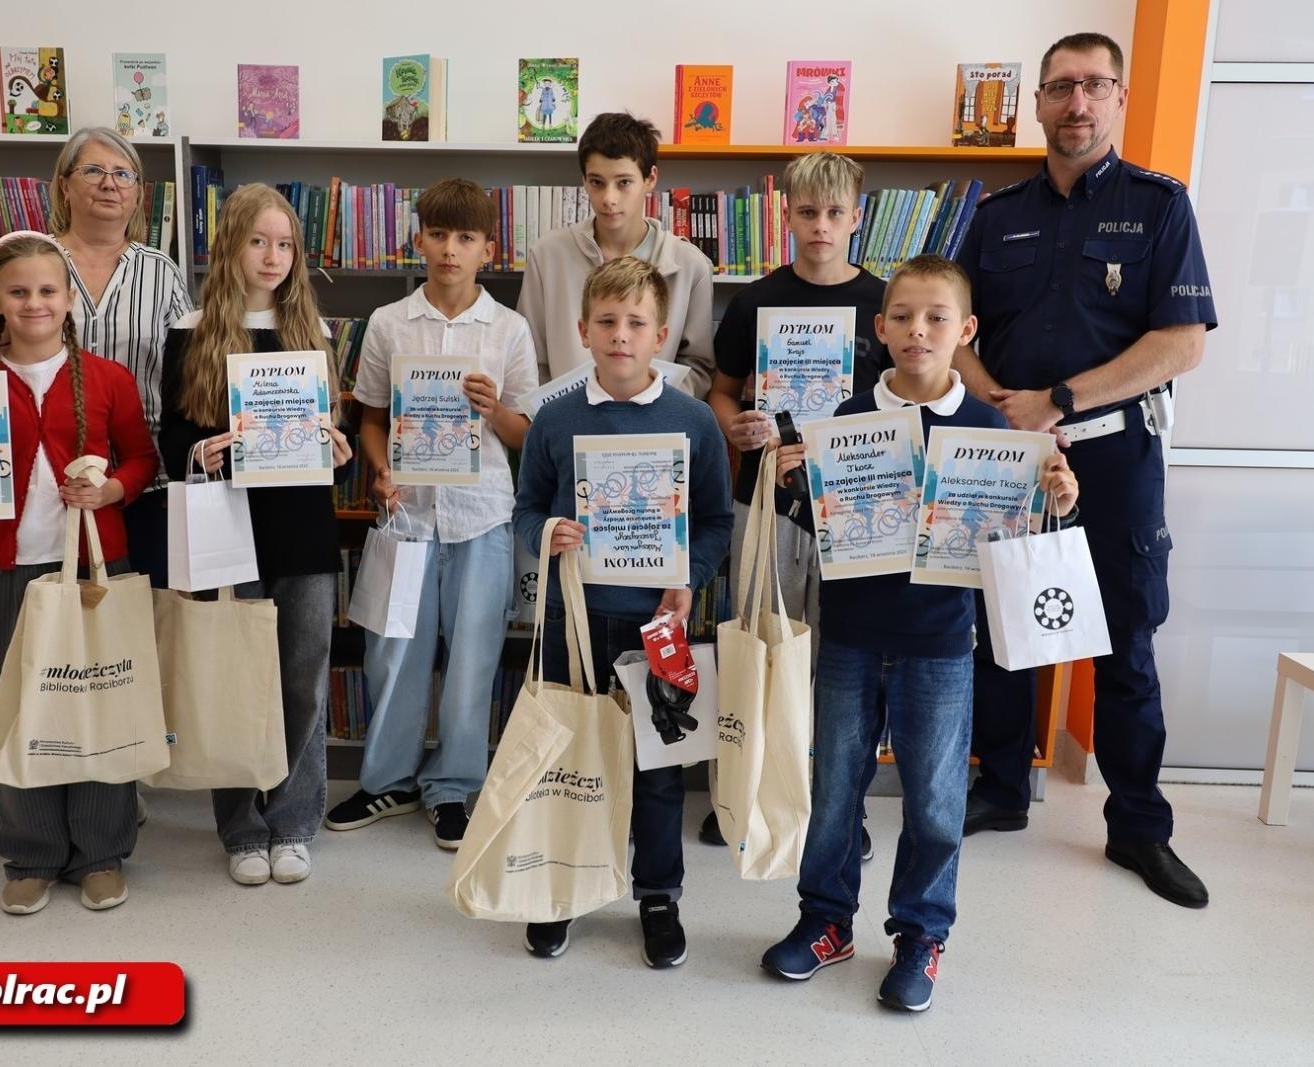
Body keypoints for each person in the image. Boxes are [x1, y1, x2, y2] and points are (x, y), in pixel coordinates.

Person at [761, 254, 1079, 1011]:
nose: (918, 330)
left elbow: (1014, 540)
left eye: (937, 317)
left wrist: (1056, 494)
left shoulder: (990, 428)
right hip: (849, 634)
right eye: (902, 315)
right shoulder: (845, 419)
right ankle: (826, 920)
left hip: (940, 641)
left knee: (935, 799)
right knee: (835, 786)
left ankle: (921, 932)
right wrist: (791, 488)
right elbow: (824, 524)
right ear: (880, 326)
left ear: (965, 330)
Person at [953, 31, 1217, 909]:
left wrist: (1059, 399)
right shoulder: (994, 215)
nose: (1077, 103)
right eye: (1061, 87)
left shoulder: (1158, 206)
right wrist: (1003, 403)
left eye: (1095, 86)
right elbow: (954, 333)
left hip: (1113, 454)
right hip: (1009, 451)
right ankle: (999, 787)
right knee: (1002, 629)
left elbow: (1181, 343)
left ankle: (1138, 826)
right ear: (1036, 102)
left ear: (1118, 99)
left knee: (1125, 641)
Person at [0, 126, 192, 870]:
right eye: (94, 170)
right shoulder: (28, 259)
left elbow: (179, 379)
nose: (111, 183)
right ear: (64, 183)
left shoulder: (162, 272)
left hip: (127, 492)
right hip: (26, 503)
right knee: (14, 659)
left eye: (125, 173)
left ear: (140, 192)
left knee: (102, 660)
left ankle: (106, 798)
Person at [0, 231, 159, 914]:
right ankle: (31, 852)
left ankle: (101, 851)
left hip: (92, 570)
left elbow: (142, 460)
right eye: (17, 291)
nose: (34, 303)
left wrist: (112, 490)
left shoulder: (110, 379)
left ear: (70, 297)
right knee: (16, 712)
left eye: (48, 290)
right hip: (4, 569)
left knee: (96, 704)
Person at [513, 256, 733, 968]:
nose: (620, 335)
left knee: (658, 770)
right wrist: (549, 534)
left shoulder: (693, 420)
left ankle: (658, 892)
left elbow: (715, 521)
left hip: (657, 623)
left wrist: (690, 576)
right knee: (571, 760)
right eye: (606, 321)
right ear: (582, 330)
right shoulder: (554, 418)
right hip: (575, 620)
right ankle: (565, 886)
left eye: (636, 323)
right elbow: (524, 513)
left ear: (662, 334)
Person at [324, 179, 539, 851]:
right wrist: (382, 470)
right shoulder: (390, 322)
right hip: (409, 517)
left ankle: (454, 786)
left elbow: (526, 430)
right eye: (439, 235)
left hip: (482, 516)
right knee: (393, 653)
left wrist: (491, 408)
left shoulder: (509, 329)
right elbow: (371, 418)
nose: (451, 250)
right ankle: (388, 778)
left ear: (489, 250)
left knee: (474, 656)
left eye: (466, 238)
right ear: (418, 240)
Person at [159, 183, 353, 887]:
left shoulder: (315, 331)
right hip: (227, 529)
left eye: (284, 244)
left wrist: (338, 446)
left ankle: (294, 818)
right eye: (258, 241)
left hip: (301, 524)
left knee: (301, 674)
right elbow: (171, 431)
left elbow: (331, 425)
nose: (273, 257)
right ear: (232, 244)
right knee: (233, 676)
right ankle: (241, 826)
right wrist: (199, 450)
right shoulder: (191, 328)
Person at [707, 151, 890, 861]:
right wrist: (735, 423)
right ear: (786, 214)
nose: (820, 226)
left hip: (853, 509)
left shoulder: (882, 303)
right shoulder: (754, 301)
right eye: (807, 212)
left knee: (843, 662)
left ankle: (841, 805)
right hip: (766, 501)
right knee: (763, 648)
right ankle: (752, 791)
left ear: (855, 217)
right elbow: (724, 388)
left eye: (834, 212)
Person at [517, 112, 715, 398]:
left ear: (650, 179)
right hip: (568, 424)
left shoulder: (690, 265)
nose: (609, 198)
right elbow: (530, 358)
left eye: (623, 183)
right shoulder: (547, 255)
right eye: (597, 182)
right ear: (584, 180)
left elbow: (698, 366)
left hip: (652, 428)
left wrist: (649, 405)